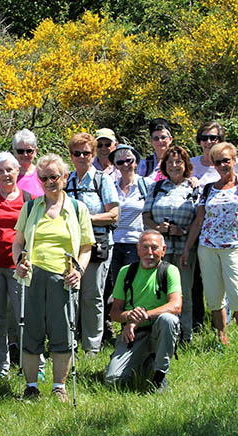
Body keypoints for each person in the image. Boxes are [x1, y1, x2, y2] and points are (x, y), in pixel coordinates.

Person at [13, 154, 94, 401]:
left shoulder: (78, 209)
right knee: (30, 333)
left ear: (65, 178)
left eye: (54, 177)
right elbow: (18, 243)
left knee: (63, 334)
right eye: (44, 178)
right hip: (32, 278)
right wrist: (19, 264)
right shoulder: (30, 207)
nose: (49, 182)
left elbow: (87, 247)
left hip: (64, 278)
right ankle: (31, 387)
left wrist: (78, 271)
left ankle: (59, 386)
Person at [181, 143, 238, 356]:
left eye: (227, 160)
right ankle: (221, 338)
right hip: (208, 248)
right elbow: (199, 221)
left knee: (237, 295)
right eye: (218, 162)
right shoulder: (208, 188)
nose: (223, 165)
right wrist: (187, 249)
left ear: (235, 161)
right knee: (214, 297)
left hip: (236, 247)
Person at [104, 230, 182, 392]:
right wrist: (129, 317)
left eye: (154, 248)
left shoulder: (170, 271)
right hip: (134, 334)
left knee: (169, 319)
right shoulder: (127, 272)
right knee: (113, 381)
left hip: (159, 332)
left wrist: (142, 317)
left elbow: (176, 306)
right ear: (138, 249)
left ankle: (159, 375)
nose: (150, 253)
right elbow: (115, 313)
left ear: (163, 250)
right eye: (145, 247)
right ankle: (146, 362)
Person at [0, 152, 33, 376]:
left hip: (19, 267)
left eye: (9, 170)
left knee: (24, 318)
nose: (5, 174)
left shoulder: (28, 200)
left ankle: (30, 365)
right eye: (0, 171)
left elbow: (32, 235)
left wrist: (26, 260)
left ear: (17, 171)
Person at [65, 132, 119, 357]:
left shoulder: (102, 180)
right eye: (76, 153)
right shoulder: (66, 180)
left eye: (86, 153)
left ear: (93, 154)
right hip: (70, 245)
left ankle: (92, 347)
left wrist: (84, 218)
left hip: (97, 244)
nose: (81, 157)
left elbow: (114, 214)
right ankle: (69, 343)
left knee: (92, 295)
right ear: (71, 155)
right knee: (70, 294)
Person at [142, 146, 199, 343]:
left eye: (179, 162)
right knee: (159, 292)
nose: (174, 166)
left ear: (186, 165)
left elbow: (199, 220)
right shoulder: (156, 187)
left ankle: (185, 336)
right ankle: (160, 334)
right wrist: (158, 228)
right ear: (164, 165)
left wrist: (181, 230)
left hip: (185, 248)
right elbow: (146, 216)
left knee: (184, 293)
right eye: (170, 162)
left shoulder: (194, 188)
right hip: (160, 251)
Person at [110, 144, 151, 286]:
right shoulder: (111, 186)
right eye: (120, 162)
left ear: (136, 162)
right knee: (116, 286)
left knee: (133, 285)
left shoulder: (146, 184)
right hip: (113, 243)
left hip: (136, 243)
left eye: (129, 160)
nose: (125, 165)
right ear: (115, 165)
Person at [8, 128, 44, 197]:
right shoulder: (6, 175)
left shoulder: (43, 174)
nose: (25, 154)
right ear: (13, 152)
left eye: (29, 151)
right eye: (20, 151)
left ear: (35, 151)